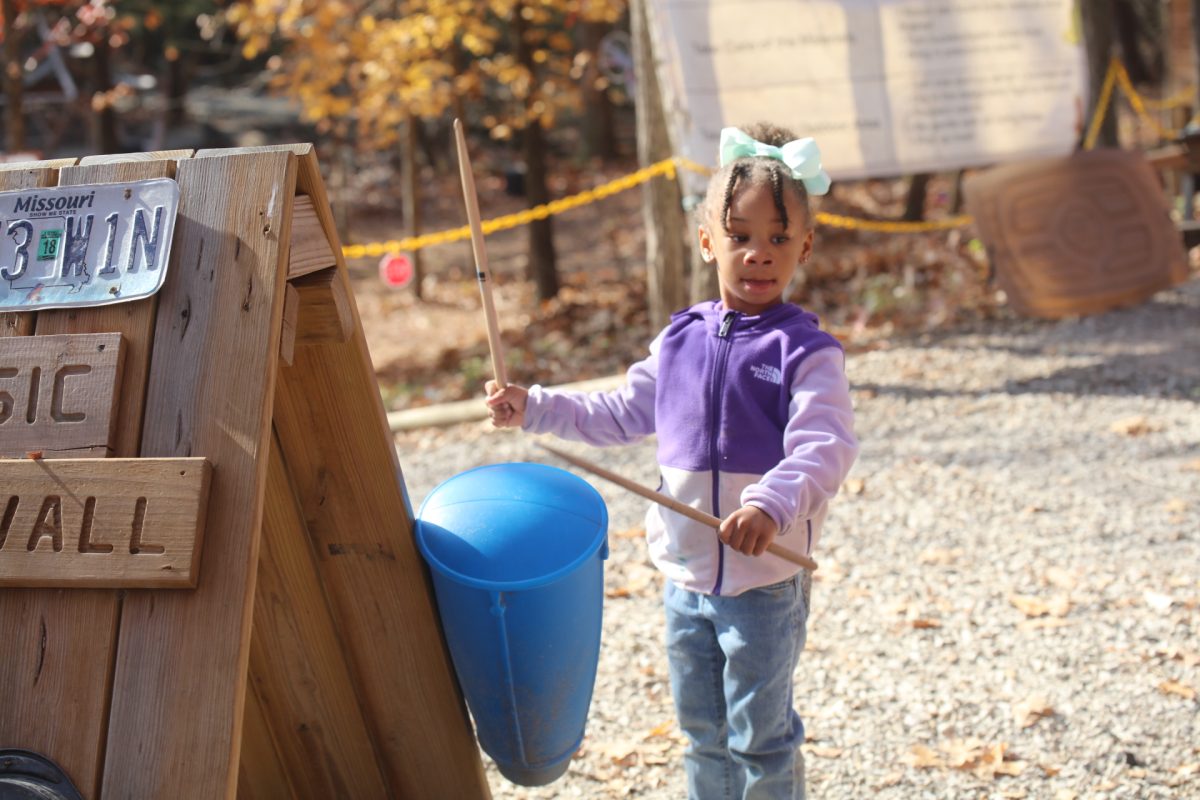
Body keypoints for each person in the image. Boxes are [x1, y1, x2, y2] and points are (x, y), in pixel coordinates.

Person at [485, 122, 859, 800]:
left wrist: (770, 504)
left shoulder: (806, 352)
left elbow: (825, 447)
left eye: (778, 238)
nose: (758, 254)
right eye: (740, 236)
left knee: (759, 738)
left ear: (804, 246)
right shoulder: (681, 339)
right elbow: (619, 414)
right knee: (701, 732)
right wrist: (533, 406)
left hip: (765, 584)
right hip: (685, 578)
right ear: (708, 240)